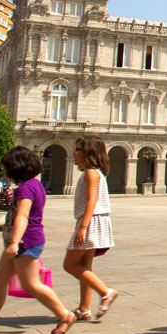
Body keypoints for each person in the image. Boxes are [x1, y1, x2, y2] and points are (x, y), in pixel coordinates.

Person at [0, 146, 76, 334]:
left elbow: (23, 215)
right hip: (23, 241)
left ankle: (65, 315)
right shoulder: (35, 185)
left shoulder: (26, 188)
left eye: (7, 168)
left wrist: (13, 243)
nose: (6, 172)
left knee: (31, 285)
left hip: (24, 242)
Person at [63, 135, 118, 322]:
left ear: (88, 153)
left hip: (90, 221)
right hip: (95, 220)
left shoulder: (90, 173)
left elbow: (91, 201)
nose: (74, 153)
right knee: (84, 266)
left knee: (69, 265)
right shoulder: (94, 173)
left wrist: (82, 228)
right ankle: (84, 308)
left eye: (78, 149)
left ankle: (105, 292)